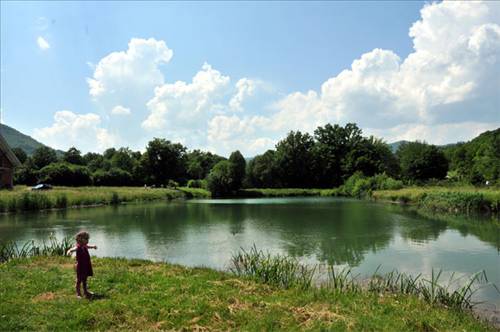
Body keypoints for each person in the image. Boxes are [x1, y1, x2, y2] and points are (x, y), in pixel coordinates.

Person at [66, 231, 97, 299]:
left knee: (85, 279)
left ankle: (86, 291)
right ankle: (78, 293)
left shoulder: (85, 246)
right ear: (80, 239)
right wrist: (69, 251)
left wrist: (93, 246)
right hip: (80, 266)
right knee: (79, 280)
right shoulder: (78, 247)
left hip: (86, 265)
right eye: (86, 239)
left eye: (87, 239)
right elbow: (72, 249)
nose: (87, 240)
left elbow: (88, 246)